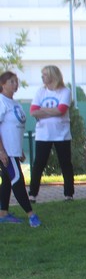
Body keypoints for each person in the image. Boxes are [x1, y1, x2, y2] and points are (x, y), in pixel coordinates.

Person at [0, 71, 41, 227]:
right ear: (2, 84)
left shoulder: (14, 103)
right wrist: (1, 151)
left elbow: (13, 129)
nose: (15, 84)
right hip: (6, 152)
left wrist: (20, 150)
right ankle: (31, 215)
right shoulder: (1, 101)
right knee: (17, 180)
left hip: (13, 150)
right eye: (11, 81)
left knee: (7, 181)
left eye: (16, 81)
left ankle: (3, 213)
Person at [28, 65, 74, 202]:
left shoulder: (65, 91)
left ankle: (69, 194)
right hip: (43, 134)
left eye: (45, 75)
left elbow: (61, 110)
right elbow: (33, 111)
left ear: (53, 76)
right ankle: (32, 194)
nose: (42, 77)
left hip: (62, 134)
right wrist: (53, 111)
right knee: (39, 164)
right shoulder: (40, 92)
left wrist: (43, 110)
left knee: (65, 164)